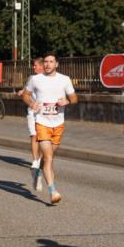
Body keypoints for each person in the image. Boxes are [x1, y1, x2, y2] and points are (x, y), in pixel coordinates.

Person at [22, 54, 77, 204]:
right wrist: (32, 104)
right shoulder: (35, 79)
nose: (47, 64)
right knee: (49, 158)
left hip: (58, 123)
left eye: (51, 62)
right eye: (45, 62)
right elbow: (25, 95)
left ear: (56, 64)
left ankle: (36, 171)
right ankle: (53, 191)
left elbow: (74, 98)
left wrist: (67, 101)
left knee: (49, 157)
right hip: (42, 123)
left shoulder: (64, 79)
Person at [21, 57, 45, 189]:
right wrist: (28, 99)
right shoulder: (32, 78)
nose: (33, 67)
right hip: (32, 112)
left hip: (45, 113)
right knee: (34, 136)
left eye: (35, 65)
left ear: (41, 66)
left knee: (43, 139)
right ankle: (35, 162)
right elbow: (26, 92)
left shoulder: (49, 78)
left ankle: (40, 161)